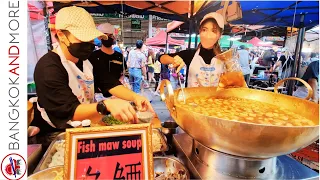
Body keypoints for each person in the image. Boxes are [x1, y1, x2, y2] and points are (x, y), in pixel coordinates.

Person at [32, 6, 138, 132]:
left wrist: (135, 97)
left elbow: (108, 83)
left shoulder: (87, 61)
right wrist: (105, 105)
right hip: (57, 132)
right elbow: (69, 110)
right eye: (82, 38)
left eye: (91, 39)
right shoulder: (48, 68)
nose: (88, 43)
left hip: (86, 127)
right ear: (61, 35)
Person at [160, 12, 246, 88]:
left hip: (216, 104)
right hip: (192, 103)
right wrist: (174, 60)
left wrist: (233, 69)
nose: (208, 35)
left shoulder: (225, 57)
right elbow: (161, 58)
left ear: (220, 35)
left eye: (213, 31)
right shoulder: (190, 54)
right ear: (200, 31)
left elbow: (235, 84)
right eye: (204, 30)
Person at [88, 23, 153, 112]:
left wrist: (122, 82)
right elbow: (90, 77)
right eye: (105, 36)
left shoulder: (119, 56)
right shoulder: (93, 56)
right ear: (101, 38)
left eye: (110, 35)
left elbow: (124, 72)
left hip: (118, 93)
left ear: (114, 37)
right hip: (99, 95)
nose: (108, 38)